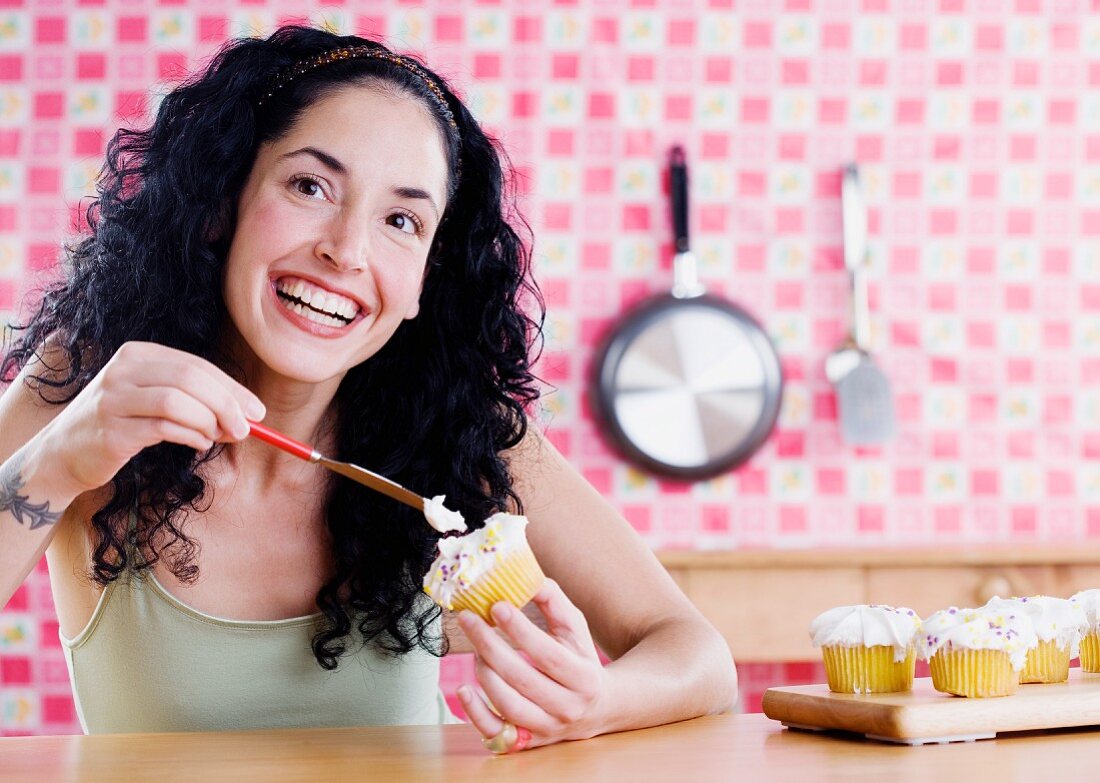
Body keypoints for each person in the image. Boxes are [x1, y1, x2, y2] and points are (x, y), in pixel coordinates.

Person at [0, 25, 736, 750]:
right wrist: (58, 460)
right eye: (309, 185)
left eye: (401, 220)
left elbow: (697, 656)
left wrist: (595, 701)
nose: (347, 251)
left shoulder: (456, 433)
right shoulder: (96, 385)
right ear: (222, 202)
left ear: (424, 277)